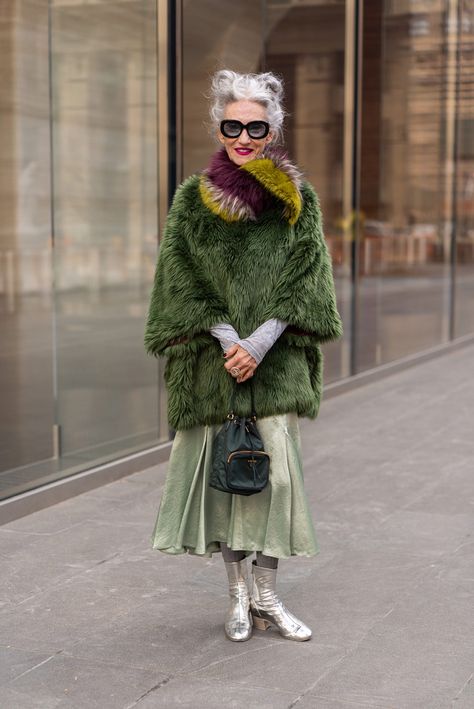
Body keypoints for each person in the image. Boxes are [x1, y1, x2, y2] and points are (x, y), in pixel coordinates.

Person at [144, 69, 343, 643]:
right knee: (224, 483)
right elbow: (178, 276)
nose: (243, 135)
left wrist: (260, 343)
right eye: (233, 124)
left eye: (256, 126)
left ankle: (267, 598)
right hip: (213, 363)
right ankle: (236, 598)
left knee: (275, 482)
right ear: (219, 126)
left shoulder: (297, 200)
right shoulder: (193, 197)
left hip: (275, 363)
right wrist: (230, 338)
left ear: (273, 129)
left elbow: (309, 279)